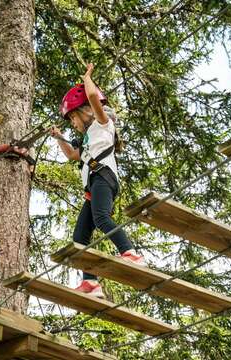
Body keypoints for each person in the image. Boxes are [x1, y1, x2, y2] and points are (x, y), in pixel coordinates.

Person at [49, 63, 145, 299]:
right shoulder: (88, 140)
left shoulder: (103, 124)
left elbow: (92, 96)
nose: (72, 123)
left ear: (86, 111)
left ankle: (130, 253)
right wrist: (60, 137)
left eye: (73, 117)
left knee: (102, 218)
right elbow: (72, 154)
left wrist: (87, 78)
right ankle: (90, 282)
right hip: (93, 185)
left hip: (104, 177)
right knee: (80, 236)